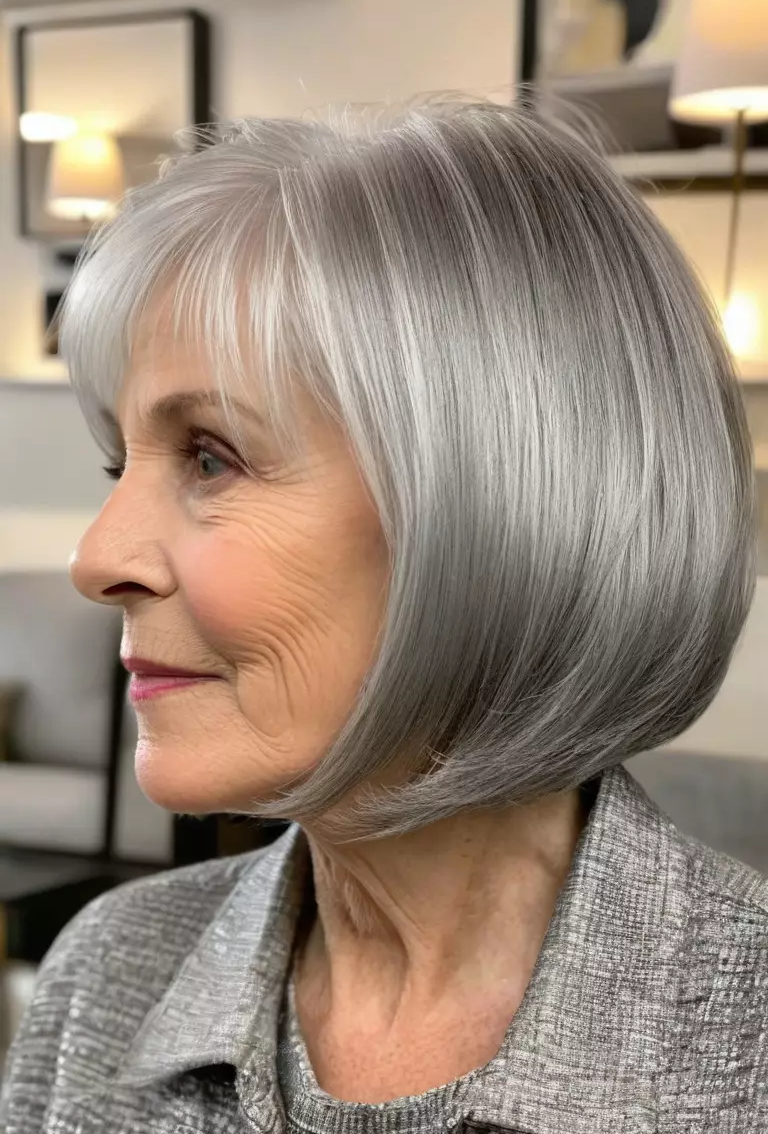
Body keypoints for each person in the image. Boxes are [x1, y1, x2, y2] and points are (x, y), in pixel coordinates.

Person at [1, 98, 765, 1133]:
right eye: (117, 462)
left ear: (503, 508)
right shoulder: (112, 970)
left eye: (212, 457)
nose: (98, 560)